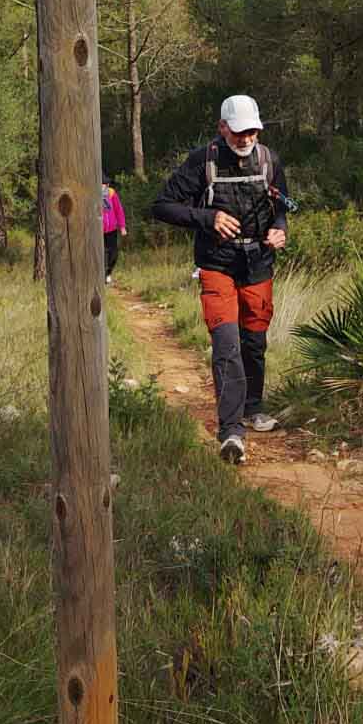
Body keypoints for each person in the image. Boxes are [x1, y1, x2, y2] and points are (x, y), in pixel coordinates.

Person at [151, 94, 289, 464]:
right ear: (222, 128)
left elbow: (281, 207)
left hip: (258, 262)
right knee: (227, 344)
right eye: (240, 132)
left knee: (254, 342)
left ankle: (253, 407)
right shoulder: (202, 161)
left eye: (253, 131)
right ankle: (231, 432)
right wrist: (207, 218)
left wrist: (279, 229)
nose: (247, 139)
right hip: (216, 264)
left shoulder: (269, 160)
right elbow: (162, 206)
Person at [101, 176, 127, 284]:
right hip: (98, 231)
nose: (105, 186)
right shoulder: (92, 194)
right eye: (103, 184)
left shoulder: (111, 193)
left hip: (112, 229)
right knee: (101, 253)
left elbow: (118, 210)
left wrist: (122, 226)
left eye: (106, 184)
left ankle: (108, 273)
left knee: (113, 253)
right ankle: (102, 276)